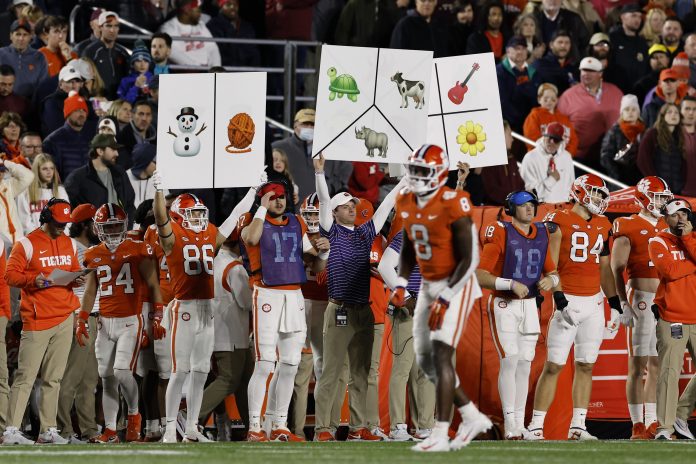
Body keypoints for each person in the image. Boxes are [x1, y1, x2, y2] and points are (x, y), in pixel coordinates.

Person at [390, 144, 490, 452]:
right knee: (424, 359)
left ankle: (442, 432)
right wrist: (402, 282)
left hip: (455, 284)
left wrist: (446, 296)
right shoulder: (405, 199)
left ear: (438, 173)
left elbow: (470, 258)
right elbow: (408, 245)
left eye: (423, 171)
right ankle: (472, 416)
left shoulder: (454, 202)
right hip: (428, 286)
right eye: (414, 170)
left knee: (442, 354)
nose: (417, 177)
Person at [150, 168, 257, 443]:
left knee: (200, 372)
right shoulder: (171, 235)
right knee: (180, 370)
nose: (198, 217)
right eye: (192, 213)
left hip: (206, 310)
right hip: (184, 308)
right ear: (180, 216)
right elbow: (161, 216)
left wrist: (253, 191)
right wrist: (158, 190)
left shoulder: (209, 233)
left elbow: (234, 218)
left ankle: (193, 428)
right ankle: (171, 428)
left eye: (200, 213)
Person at [311, 153, 407, 442]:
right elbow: (325, 201)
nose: (352, 207)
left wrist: (405, 179)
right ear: (335, 212)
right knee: (331, 373)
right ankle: (323, 429)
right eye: (346, 205)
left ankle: (358, 427)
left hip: (363, 309)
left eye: (353, 204)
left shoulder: (365, 234)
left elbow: (386, 206)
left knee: (362, 373)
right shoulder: (333, 232)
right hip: (339, 308)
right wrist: (319, 173)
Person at [525, 174, 622, 441]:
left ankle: (578, 426)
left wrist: (614, 304)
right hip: (567, 298)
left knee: (586, 365)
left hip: (593, 302)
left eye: (603, 195)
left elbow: (604, 267)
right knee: (554, 365)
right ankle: (536, 426)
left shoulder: (603, 224)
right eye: (596, 193)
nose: (600, 199)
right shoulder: (558, 220)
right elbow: (550, 263)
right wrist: (559, 298)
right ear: (579, 191)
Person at [241, 181, 329, 442]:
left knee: (290, 364)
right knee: (265, 363)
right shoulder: (254, 221)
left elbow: (316, 264)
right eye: (273, 197)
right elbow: (251, 238)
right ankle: (255, 427)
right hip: (266, 292)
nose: (279, 201)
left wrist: (324, 250)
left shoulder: (296, 222)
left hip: (294, 294)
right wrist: (261, 206)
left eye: (281, 197)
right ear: (263, 200)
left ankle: (280, 425)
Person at [477, 190, 561, 439]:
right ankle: (510, 422)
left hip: (529, 304)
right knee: (510, 359)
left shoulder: (542, 233)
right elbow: (481, 274)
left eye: (532, 205)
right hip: (505, 303)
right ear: (511, 209)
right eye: (523, 205)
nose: (529, 209)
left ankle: (519, 423)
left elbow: (553, 271)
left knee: (524, 363)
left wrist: (551, 280)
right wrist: (509, 284)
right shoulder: (501, 231)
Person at [2, 199, 83, 445]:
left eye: (65, 223)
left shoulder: (70, 243)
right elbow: (9, 275)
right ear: (46, 218)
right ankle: (11, 430)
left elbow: (73, 270)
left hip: (64, 315)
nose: (62, 227)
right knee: (26, 376)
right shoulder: (26, 243)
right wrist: (32, 279)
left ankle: (48, 430)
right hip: (37, 318)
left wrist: (76, 279)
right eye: (58, 223)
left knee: (53, 378)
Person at [611, 176, 672, 440]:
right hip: (640, 297)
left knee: (657, 363)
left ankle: (652, 423)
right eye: (659, 197)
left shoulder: (667, 225)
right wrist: (622, 303)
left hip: (664, 299)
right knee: (637, 364)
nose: (662, 202)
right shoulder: (628, 224)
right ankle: (637, 423)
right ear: (645, 197)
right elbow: (616, 268)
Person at [378, 222, 436, 441]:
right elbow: (385, 266)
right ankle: (397, 426)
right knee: (402, 368)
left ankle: (426, 426)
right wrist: (407, 296)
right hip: (412, 307)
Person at [647, 198, 696, 440]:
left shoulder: (693, 239)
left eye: (685, 214)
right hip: (671, 317)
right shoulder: (657, 241)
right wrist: (693, 264)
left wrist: (688, 239)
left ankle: (680, 414)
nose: (682, 219)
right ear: (666, 217)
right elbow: (669, 271)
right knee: (669, 372)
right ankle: (664, 428)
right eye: (676, 215)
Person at [198, 232, 253, 439]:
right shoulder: (235, 268)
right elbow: (246, 302)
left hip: (214, 331)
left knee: (245, 382)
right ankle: (190, 416)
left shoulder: (212, 261)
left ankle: (252, 427)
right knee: (229, 380)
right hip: (232, 335)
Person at [55, 203, 100, 443]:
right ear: (84, 224)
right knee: (71, 378)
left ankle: (89, 431)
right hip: (77, 316)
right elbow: (54, 277)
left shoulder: (92, 248)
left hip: (93, 317)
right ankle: (62, 431)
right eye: (94, 222)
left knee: (89, 380)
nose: (99, 227)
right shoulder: (70, 246)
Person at [557, 56, 623, 166]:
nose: (586, 74)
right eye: (583, 70)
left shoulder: (615, 91)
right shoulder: (568, 96)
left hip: (611, 157)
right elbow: (559, 125)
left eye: (591, 71)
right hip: (579, 158)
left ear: (600, 73)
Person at [64, 134, 136, 224]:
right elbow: (69, 209)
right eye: (113, 149)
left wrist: (127, 229)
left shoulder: (120, 173)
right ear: (100, 151)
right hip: (93, 235)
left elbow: (129, 204)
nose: (117, 154)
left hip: (120, 232)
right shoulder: (77, 178)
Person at [43, 90, 96, 180]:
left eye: (84, 110)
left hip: (89, 191)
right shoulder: (52, 141)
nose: (82, 114)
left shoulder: (91, 138)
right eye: (77, 110)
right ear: (68, 113)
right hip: (65, 191)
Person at [519, 122, 574, 203]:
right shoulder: (530, 158)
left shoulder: (566, 157)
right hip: (541, 209)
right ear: (543, 136)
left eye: (556, 140)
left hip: (562, 209)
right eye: (549, 137)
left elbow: (571, 186)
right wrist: (551, 180)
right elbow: (528, 194)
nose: (551, 142)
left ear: (561, 142)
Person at [637, 103, 685, 194]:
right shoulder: (653, 133)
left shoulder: (680, 136)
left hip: (677, 190)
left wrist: (682, 184)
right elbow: (642, 160)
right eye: (669, 112)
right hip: (658, 190)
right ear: (663, 116)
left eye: (676, 112)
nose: (673, 115)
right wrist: (654, 181)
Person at [81, 11, 130, 100]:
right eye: (108, 26)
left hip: (119, 103)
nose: (112, 30)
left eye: (116, 26)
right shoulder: (91, 51)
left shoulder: (122, 52)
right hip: (98, 101)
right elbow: (83, 79)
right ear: (100, 27)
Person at [496, 35, 540, 132]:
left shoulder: (533, 72)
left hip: (532, 124)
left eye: (523, 48)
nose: (520, 51)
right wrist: (520, 122)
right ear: (507, 51)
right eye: (516, 48)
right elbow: (502, 102)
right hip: (509, 127)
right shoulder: (499, 72)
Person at [158, 0, 221, 68]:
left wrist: (215, 67)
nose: (201, 12)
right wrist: (199, 68)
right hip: (185, 73)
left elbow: (213, 48)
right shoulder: (168, 28)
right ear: (186, 9)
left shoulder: (201, 25)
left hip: (208, 72)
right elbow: (173, 53)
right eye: (198, 9)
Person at [600, 94, 646, 186]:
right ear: (622, 113)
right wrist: (616, 175)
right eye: (627, 109)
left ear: (638, 112)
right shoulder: (614, 131)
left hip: (641, 179)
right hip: (619, 181)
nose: (630, 112)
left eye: (634, 109)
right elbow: (605, 156)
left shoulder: (645, 131)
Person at [17, 153, 69, 234]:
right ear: (37, 170)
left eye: (51, 168)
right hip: (35, 240)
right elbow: (25, 222)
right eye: (44, 169)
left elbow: (67, 220)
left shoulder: (60, 191)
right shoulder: (25, 192)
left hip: (58, 239)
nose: (49, 172)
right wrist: (40, 237)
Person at [523, 82, 578, 156]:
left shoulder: (564, 119)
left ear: (557, 100)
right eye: (546, 99)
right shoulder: (534, 116)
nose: (549, 101)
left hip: (562, 160)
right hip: (540, 159)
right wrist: (549, 155)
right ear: (539, 99)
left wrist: (566, 155)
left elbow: (573, 140)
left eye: (553, 99)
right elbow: (531, 140)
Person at [605, 4, 650, 95]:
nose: (637, 19)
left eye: (639, 16)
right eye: (633, 15)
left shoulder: (642, 42)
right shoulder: (612, 39)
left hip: (638, 92)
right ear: (622, 17)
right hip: (616, 91)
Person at [0, 19, 48, 101]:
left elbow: (42, 87)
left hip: (30, 104)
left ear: (30, 37)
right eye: (18, 34)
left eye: (25, 35)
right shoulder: (1, 53)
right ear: (11, 36)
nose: (21, 38)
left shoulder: (39, 57)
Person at [480, 121, 525, 205]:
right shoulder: (488, 161)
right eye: (509, 135)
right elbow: (491, 190)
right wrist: (513, 200)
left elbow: (520, 184)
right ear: (500, 136)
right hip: (497, 213)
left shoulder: (511, 159)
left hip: (513, 210)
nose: (512, 139)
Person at [207, 0, 260, 67]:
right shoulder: (212, 25)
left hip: (246, 71)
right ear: (220, 7)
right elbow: (216, 53)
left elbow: (254, 52)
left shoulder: (246, 26)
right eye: (228, 4)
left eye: (235, 4)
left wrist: (255, 71)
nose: (233, 7)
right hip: (224, 71)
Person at [532, 29, 578, 95]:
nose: (563, 46)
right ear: (551, 45)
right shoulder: (540, 65)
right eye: (560, 42)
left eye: (567, 43)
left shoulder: (574, 67)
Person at [0, 155, 33, 242]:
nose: (0, 173)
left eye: (2, 170)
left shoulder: (9, 185)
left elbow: (28, 176)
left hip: (17, 241)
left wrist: (6, 163)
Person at [117, 100, 156, 170]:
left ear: (151, 117)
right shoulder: (122, 137)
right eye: (141, 114)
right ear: (132, 115)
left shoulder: (156, 136)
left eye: (148, 114)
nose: (144, 118)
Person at [117, 40, 153, 104]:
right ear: (133, 63)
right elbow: (124, 104)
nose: (142, 64)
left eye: (146, 61)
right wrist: (136, 86)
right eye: (138, 61)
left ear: (149, 63)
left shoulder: (154, 79)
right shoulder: (125, 81)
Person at [128, 143, 159, 209]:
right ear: (145, 162)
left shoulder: (159, 178)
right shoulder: (125, 177)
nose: (158, 165)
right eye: (155, 162)